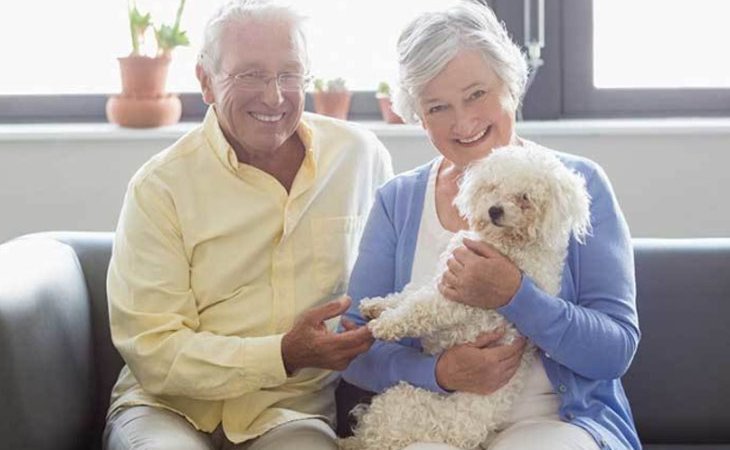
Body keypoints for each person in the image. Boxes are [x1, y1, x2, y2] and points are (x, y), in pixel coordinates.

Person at [340, 2, 640, 449]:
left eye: (477, 94)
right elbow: (352, 345)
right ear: (418, 116)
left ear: (510, 86)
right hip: (432, 422)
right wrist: (437, 372)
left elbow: (614, 349)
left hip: (557, 422)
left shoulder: (577, 187)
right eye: (438, 107)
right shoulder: (398, 201)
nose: (463, 122)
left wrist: (515, 296)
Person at [103, 1, 393, 449]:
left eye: (289, 74)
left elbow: (395, 283)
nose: (274, 96)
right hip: (170, 410)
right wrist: (282, 354)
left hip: (290, 415)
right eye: (250, 75)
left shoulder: (360, 157)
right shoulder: (160, 187)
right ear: (205, 81)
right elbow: (154, 350)